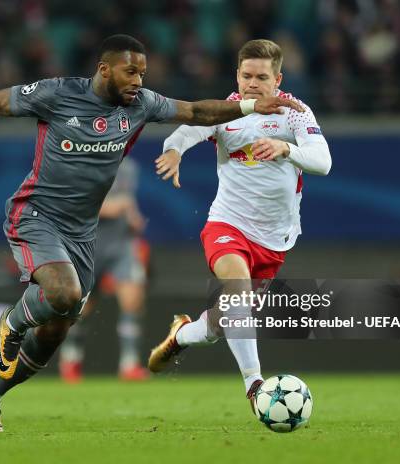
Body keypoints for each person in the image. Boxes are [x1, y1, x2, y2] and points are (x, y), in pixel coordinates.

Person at [0, 34, 302, 433]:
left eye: (143, 73)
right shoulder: (59, 93)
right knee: (64, 294)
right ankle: (14, 321)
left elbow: (197, 111)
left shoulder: (141, 105)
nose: (138, 81)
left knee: (57, 328)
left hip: (81, 233)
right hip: (36, 214)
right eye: (131, 72)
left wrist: (249, 105)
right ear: (104, 69)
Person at [148, 39, 331, 414]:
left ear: (277, 79)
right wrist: (173, 149)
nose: (252, 83)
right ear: (237, 75)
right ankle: (256, 387)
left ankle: (181, 334)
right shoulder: (227, 112)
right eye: (246, 75)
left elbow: (323, 161)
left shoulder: (293, 113)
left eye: (261, 77)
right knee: (238, 294)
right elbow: (188, 129)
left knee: (224, 320)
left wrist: (286, 149)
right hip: (227, 224)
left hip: (275, 239)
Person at [59, 157, 150, 382]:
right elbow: (73, 205)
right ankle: (71, 359)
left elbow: (128, 201)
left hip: (121, 244)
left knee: (133, 300)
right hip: (89, 246)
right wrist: (109, 207)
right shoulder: (81, 165)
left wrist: (133, 218)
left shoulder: (129, 167)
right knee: (82, 309)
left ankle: (129, 365)